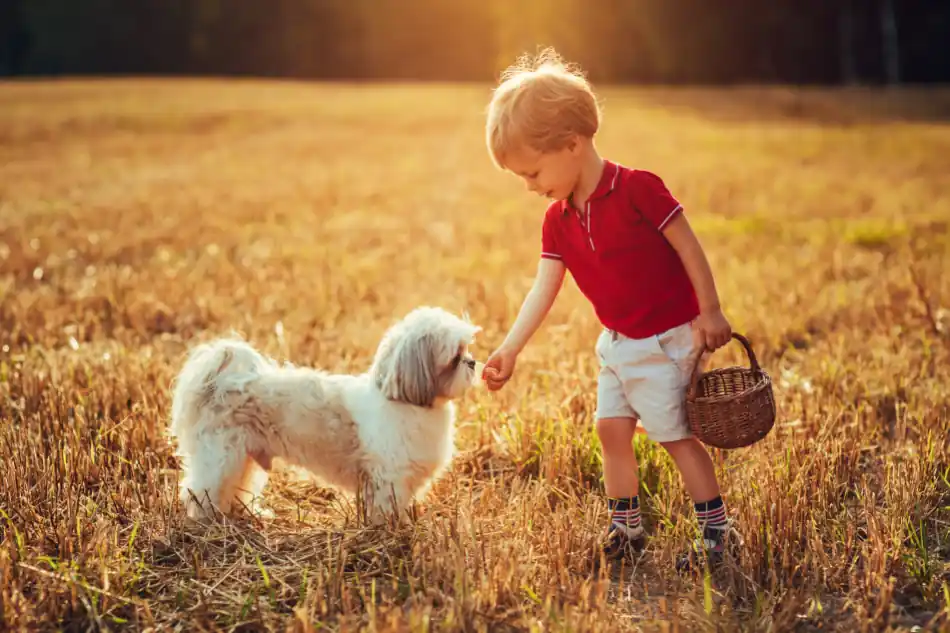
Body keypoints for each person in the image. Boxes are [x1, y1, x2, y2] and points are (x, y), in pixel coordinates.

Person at [480, 48, 740, 571]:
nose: (530, 188)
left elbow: (689, 247)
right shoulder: (558, 220)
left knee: (676, 438)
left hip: (668, 340)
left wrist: (710, 312)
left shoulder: (638, 189)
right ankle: (626, 527)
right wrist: (510, 349)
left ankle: (718, 535)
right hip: (618, 343)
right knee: (610, 429)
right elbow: (543, 288)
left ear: (573, 145)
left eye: (533, 173)